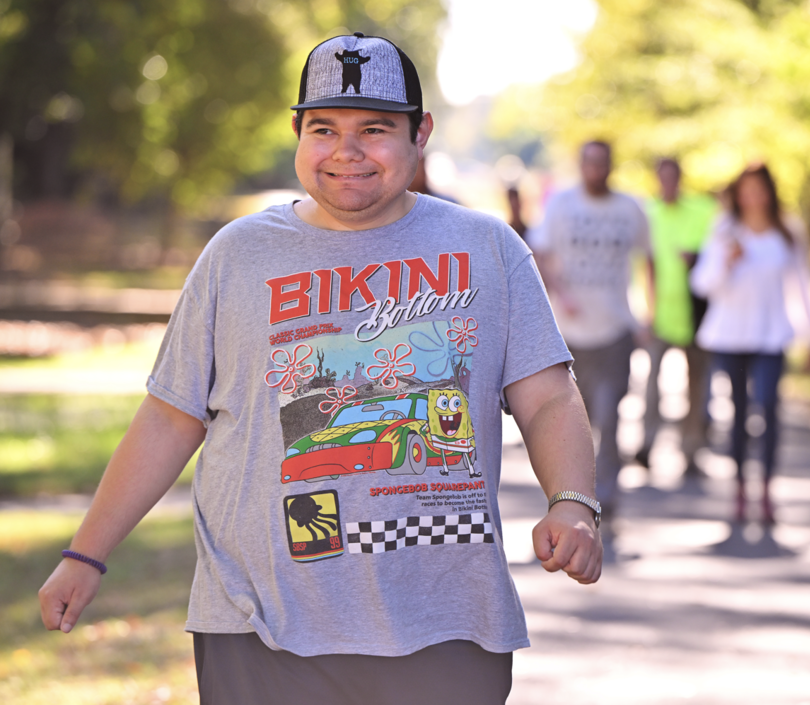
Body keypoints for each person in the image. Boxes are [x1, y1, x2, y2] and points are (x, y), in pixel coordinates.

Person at [38, 33, 601, 705]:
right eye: (325, 128)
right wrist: (85, 553)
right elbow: (170, 415)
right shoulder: (238, 255)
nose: (347, 151)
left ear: (420, 132)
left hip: (447, 620)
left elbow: (547, 397)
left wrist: (573, 502)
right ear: (298, 131)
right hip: (260, 625)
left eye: (375, 128)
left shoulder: (486, 250)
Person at [529, 140, 650, 548]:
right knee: (573, 422)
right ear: (581, 165)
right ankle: (573, 500)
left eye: (603, 162)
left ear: (611, 166)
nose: (595, 169)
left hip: (616, 328)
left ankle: (609, 499)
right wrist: (559, 294)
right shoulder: (562, 205)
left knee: (610, 417)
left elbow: (648, 260)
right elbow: (540, 253)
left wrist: (648, 313)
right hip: (569, 333)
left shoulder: (630, 209)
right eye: (589, 162)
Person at [690, 163, 810, 524]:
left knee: (769, 410)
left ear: (769, 192)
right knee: (740, 414)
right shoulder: (725, 229)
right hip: (730, 337)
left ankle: (768, 490)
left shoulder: (787, 231)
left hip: (772, 336)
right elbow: (702, 284)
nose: (752, 196)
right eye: (746, 189)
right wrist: (726, 263)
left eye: (759, 189)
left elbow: (804, 284)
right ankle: (741, 490)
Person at [636, 157, 717, 478]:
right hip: (658, 315)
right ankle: (647, 443)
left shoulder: (704, 211)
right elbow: (640, 267)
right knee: (652, 384)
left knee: (696, 386)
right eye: (663, 177)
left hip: (696, 316)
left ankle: (691, 448)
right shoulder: (647, 214)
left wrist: (697, 257)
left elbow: (717, 254)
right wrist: (644, 311)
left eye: (674, 177)